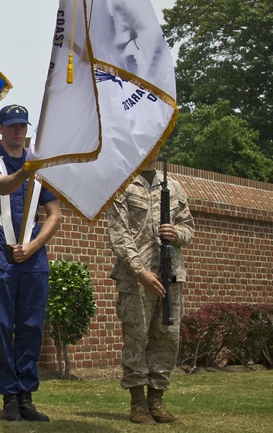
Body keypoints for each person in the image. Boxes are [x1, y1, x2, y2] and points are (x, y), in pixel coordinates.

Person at [0, 104, 62, 422]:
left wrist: (36, 244)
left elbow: (54, 214)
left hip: (33, 256)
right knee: (1, 325)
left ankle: (26, 395)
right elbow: (1, 186)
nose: (17, 130)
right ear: (0, 130)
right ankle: (9, 396)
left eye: (22, 125)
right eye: (11, 125)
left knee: (31, 327)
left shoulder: (42, 167)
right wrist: (27, 169)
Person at [107, 156, 193, 424]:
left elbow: (189, 227)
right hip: (137, 278)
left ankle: (157, 401)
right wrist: (139, 271)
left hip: (170, 275)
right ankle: (138, 404)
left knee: (167, 337)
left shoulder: (174, 188)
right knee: (136, 337)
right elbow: (120, 235)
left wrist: (177, 233)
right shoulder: (122, 187)